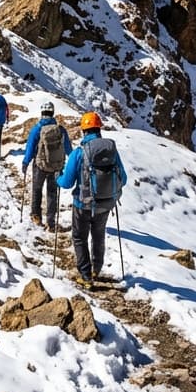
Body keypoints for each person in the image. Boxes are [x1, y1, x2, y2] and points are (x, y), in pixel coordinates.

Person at [56, 112, 128, 290]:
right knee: (98, 235)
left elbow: (66, 183)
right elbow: (123, 178)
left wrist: (58, 177)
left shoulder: (79, 153)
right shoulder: (111, 151)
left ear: (83, 130)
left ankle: (86, 276)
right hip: (105, 204)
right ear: (99, 128)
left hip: (82, 204)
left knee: (79, 238)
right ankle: (96, 269)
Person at [22, 102, 71, 230]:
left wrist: (25, 162)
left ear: (42, 113)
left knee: (37, 190)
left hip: (40, 165)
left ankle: (36, 216)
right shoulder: (60, 129)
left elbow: (30, 148)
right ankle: (51, 222)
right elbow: (68, 149)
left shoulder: (37, 129)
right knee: (52, 193)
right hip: (56, 166)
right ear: (52, 113)